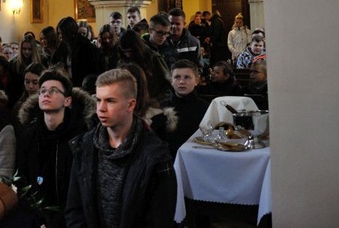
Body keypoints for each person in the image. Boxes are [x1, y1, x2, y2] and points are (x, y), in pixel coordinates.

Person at [66, 69, 177, 227]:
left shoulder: (155, 155)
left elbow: (159, 220)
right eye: (98, 100)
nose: (101, 108)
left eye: (110, 101)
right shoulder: (84, 146)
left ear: (130, 104)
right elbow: (74, 208)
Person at [15, 69, 95, 228]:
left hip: (69, 219)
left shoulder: (81, 137)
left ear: (67, 101)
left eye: (53, 91)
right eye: (43, 91)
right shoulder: (29, 135)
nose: (46, 94)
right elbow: (21, 178)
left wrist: (54, 224)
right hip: (34, 217)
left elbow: (81, 191)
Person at [160, 60, 210, 158]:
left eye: (187, 77)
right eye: (177, 77)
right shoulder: (160, 109)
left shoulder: (206, 109)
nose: (182, 82)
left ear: (197, 80)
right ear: (171, 81)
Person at [118, 30, 171, 102]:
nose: (127, 55)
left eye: (130, 51)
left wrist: (155, 100)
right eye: (124, 52)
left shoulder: (153, 58)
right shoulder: (123, 61)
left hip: (154, 103)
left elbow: (168, 84)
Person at [51, 16, 103, 87]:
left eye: (62, 33)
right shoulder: (63, 45)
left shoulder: (84, 46)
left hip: (82, 84)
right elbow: (54, 61)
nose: (61, 37)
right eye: (59, 33)